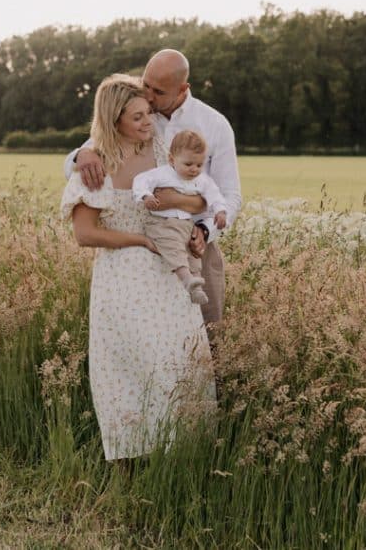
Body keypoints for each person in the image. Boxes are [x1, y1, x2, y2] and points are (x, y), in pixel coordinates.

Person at [60, 73, 215, 460]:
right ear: (115, 121)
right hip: (122, 279)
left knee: (177, 364)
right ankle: (128, 466)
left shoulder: (164, 151)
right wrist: (142, 240)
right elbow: (85, 233)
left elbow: (200, 200)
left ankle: (183, 458)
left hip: (169, 278)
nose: (148, 122)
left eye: (148, 113)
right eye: (137, 118)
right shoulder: (95, 165)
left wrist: (191, 224)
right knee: (127, 369)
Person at [66, 49, 241, 324]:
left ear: (183, 88)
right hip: (145, 253)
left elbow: (230, 195)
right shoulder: (138, 113)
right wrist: (81, 154)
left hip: (197, 246)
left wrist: (206, 231)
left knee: (207, 336)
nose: (147, 95)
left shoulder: (215, 125)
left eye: (157, 91)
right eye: (145, 84)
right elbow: (93, 153)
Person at [132, 129, 228, 306]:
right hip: (162, 223)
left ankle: (196, 286)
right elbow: (140, 180)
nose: (194, 169)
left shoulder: (203, 180)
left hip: (186, 224)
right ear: (171, 160)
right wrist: (146, 196)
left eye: (199, 165)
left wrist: (220, 211)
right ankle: (186, 279)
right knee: (173, 247)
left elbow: (215, 196)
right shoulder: (161, 174)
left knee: (193, 253)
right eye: (188, 164)